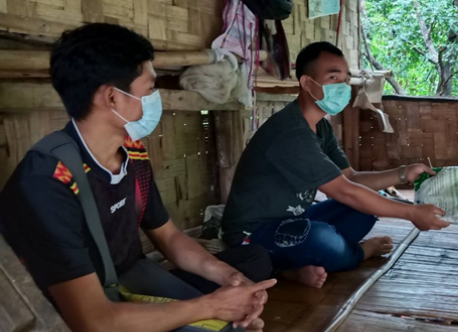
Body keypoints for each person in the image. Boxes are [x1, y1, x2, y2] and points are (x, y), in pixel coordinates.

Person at [0, 23, 276, 332]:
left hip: (127, 277)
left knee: (238, 298)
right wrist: (212, 305)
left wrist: (227, 277)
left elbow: (169, 236)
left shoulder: (132, 154)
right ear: (112, 98)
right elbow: (93, 321)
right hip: (70, 312)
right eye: (149, 88)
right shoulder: (48, 181)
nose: (154, 97)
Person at [222, 42, 450, 288]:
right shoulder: (290, 132)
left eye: (345, 79)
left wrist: (403, 173)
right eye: (333, 78)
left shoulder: (320, 127)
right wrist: (412, 213)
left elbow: (350, 178)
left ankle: (291, 268)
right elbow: (343, 190)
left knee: (368, 202)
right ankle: (357, 253)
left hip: (293, 221)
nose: (342, 86)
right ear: (308, 83)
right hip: (252, 235)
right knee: (322, 238)